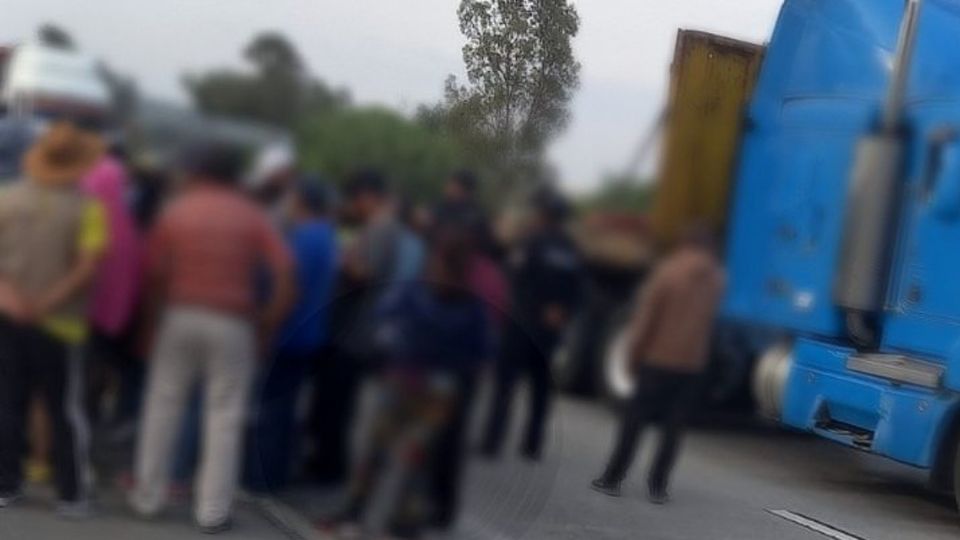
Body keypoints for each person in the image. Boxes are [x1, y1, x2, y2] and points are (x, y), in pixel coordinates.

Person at [129, 142, 294, 533]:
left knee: (162, 406)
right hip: (233, 323)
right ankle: (212, 511)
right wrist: (267, 326)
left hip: (179, 316)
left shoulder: (177, 211)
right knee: (225, 415)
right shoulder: (252, 217)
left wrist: (151, 324)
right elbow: (286, 276)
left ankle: (148, 498)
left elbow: (153, 274)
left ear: (199, 172)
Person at [327, 224, 492, 539]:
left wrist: (391, 344)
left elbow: (384, 318)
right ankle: (400, 525)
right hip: (439, 389)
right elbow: (481, 355)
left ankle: (354, 515)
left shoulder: (416, 290)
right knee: (416, 460)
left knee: (378, 451)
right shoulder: (471, 306)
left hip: (403, 380)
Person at [0, 122, 108, 517]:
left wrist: (13, 300)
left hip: (8, 319)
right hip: (61, 325)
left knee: (9, 401)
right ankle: (71, 494)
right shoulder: (88, 208)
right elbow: (86, 269)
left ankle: (6, 484)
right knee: (66, 409)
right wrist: (46, 304)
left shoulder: (6, 199)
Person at [590, 226, 726, 503]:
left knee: (634, 421)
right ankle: (658, 486)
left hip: (659, 360)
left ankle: (613, 478)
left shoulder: (668, 272)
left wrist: (632, 358)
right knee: (674, 428)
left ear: (683, 244)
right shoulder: (716, 279)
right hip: (691, 364)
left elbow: (645, 321)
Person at [309, 169, 415, 484]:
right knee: (334, 401)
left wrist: (341, 260)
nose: (353, 207)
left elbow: (365, 274)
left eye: (355, 200)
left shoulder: (382, 229)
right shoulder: (382, 227)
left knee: (336, 402)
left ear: (367, 197)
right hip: (357, 328)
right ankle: (327, 462)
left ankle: (329, 468)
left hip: (357, 331)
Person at [245, 178, 338, 493]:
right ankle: (276, 475)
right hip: (310, 334)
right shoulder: (326, 236)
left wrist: (266, 327)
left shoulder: (301, 239)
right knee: (284, 411)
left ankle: (261, 480)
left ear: (300, 202)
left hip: (288, 334)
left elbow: (286, 287)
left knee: (271, 411)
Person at [480, 187, 582, 461]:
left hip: (521, 326)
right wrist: (562, 313)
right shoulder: (572, 250)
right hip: (550, 330)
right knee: (541, 389)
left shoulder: (530, 242)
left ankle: (492, 442)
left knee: (505, 385)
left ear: (543, 214)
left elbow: (513, 276)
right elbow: (577, 291)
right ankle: (533, 445)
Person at [80, 146, 142, 426]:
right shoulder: (127, 226)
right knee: (93, 373)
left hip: (67, 313)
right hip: (108, 322)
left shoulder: (79, 213)